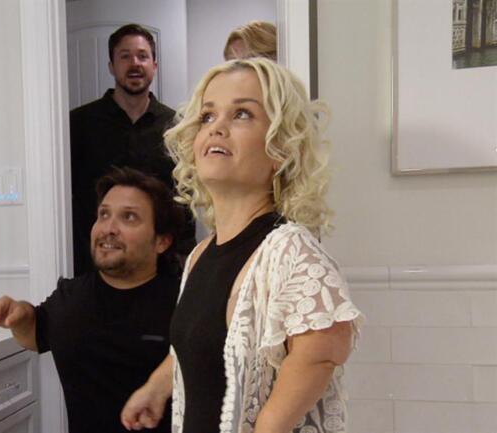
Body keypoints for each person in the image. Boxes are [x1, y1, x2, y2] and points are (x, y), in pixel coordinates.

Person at [121, 58, 364, 433]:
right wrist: (157, 387)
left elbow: (325, 345)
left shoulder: (290, 251)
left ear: (280, 148)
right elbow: (206, 343)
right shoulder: (201, 255)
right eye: (207, 116)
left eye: (242, 114)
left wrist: (268, 426)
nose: (217, 127)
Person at [0, 167, 184, 433]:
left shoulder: (186, 302)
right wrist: (19, 316)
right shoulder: (70, 297)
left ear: (161, 241)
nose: (109, 228)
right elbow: (35, 335)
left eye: (129, 217)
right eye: (104, 214)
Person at [70, 23, 195, 276]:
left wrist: (185, 255)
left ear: (154, 66)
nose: (134, 63)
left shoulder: (177, 127)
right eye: (125, 56)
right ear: (111, 66)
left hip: (162, 267)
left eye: (142, 56)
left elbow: (185, 194)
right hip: (95, 264)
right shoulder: (78, 124)